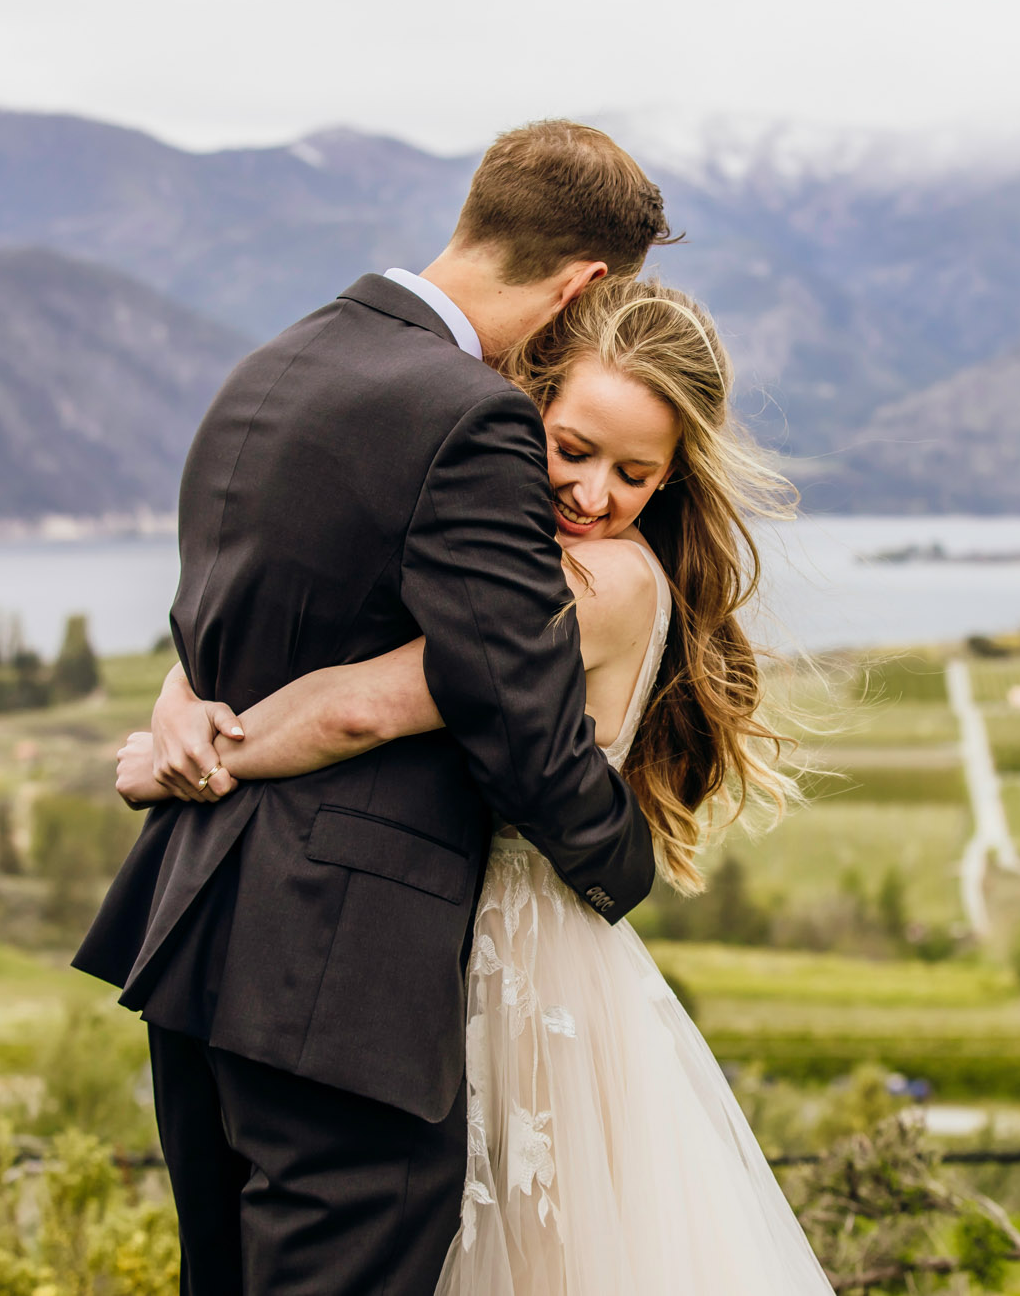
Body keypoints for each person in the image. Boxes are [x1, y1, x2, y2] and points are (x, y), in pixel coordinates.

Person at [121, 277, 837, 1293]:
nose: (592, 495)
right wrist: (179, 692)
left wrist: (191, 754)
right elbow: (300, 624)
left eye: (635, 474)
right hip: (441, 940)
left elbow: (363, 699)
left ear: (673, 478)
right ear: (527, 408)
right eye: (572, 450)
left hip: (519, 960)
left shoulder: (600, 584)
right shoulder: (499, 551)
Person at [73, 121, 671, 1296]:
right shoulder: (470, 418)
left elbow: (222, 621)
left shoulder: (275, 365)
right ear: (583, 284)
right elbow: (512, 709)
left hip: (195, 928)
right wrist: (618, 872)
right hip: (336, 974)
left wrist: (182, 723)